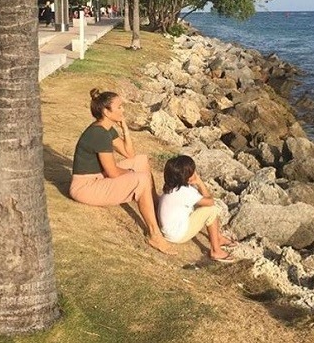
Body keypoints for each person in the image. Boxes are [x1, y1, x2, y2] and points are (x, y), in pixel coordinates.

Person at [70, 89, 175, 255]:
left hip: (97, 178)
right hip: (85, 188)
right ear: (106, 111)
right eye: (119, 107)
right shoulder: (99, 134)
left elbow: (129, 154)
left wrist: (125, 129)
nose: (123, 110)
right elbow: (112, 172)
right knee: (140, 179)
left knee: (141, 161)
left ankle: (155, 208)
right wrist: (132, 174)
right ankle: (154, 234)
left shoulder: (106, 128)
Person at [158, 155, 237, 262]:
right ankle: (215, 251)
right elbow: (210, 202)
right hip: (177, 234)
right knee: (211, 210)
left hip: (169, 229)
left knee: (203, 207)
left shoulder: (172, 186)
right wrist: (199, 182)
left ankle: (218, 237)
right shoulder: (185, 192)